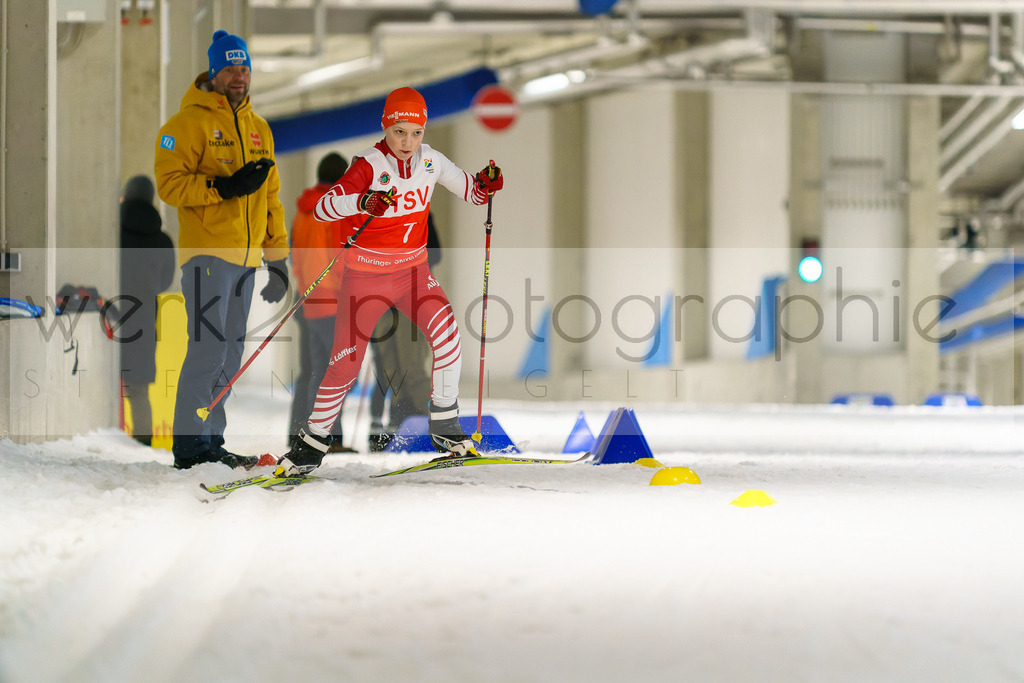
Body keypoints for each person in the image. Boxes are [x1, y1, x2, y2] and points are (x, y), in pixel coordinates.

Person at [275, 86, 503, 476]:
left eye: (416, 133)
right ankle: (312, 442)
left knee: (447, 335)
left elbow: (472, 192)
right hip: (366, 276)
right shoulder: (369, 163)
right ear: (386, 127)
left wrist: (485, 183)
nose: (408, 142)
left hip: (413, 273)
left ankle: (446, 425)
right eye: (400, 132)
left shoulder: (431, 161)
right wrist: (361, 202)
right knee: (346, 364)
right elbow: (325, 207)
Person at [154, 29, 289, 470]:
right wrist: (224, 187)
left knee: (231, 355)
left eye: (245, 67)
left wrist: (278, 258)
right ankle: (190, 446)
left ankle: (211, 441)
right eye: (231, 67)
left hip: (247, 261)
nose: (240, 75)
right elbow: (170, 185)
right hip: (208, 254)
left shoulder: (259, 129)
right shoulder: (184, 125)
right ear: (214, 72)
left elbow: (270, 198)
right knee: (208, 350)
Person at [287, 152, 353, 451]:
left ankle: (299, 434)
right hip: (332, 300)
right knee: (335, 371)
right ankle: (328, 438)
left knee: (312, 370)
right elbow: (339, 259)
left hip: (307, 298)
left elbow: (296, 257)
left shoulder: (303, 212)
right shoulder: (333, 210)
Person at [367, 213, 442, 451]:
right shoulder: (374, 215)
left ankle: (437, 424)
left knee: (412, 366)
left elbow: (436, 254)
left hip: (410, 299)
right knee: (390, 369)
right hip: (382, 303)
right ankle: (400, 420)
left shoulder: (420, 213)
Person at [118, 175, 175, 446]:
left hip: (110, 312)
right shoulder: (162, 240)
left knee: (101, 384)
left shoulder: (113, 233)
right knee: (138, 388)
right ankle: (142, 443)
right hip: (143, 317)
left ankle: (106, 440)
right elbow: (165, 282)